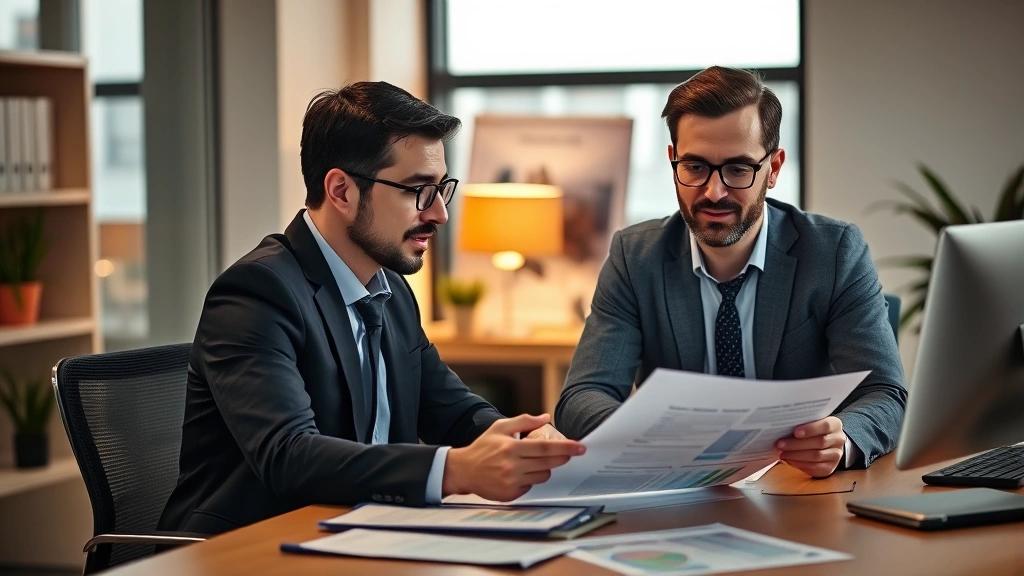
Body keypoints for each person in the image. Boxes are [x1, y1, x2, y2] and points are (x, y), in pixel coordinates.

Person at [159, 82, 583, 534]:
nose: (439, 213)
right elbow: (289, 455)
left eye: (442, 190)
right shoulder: (258, 292)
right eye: (418, 190)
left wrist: (519, 441)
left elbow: (451, 410)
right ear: (341, 191)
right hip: (245, 547)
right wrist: (455, 470)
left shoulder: (391, 290)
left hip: (361, 533)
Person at [555, 67, 906, 478]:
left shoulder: (833, 252)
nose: (714, 192)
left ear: (773, 168)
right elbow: (582, 396)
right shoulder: (635, 258)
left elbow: (885, 392)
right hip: (677, 493)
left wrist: (842, 438)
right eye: (696, 166)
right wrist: (651, 439)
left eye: (738, 169)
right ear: (673, 162)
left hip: (799, 489)